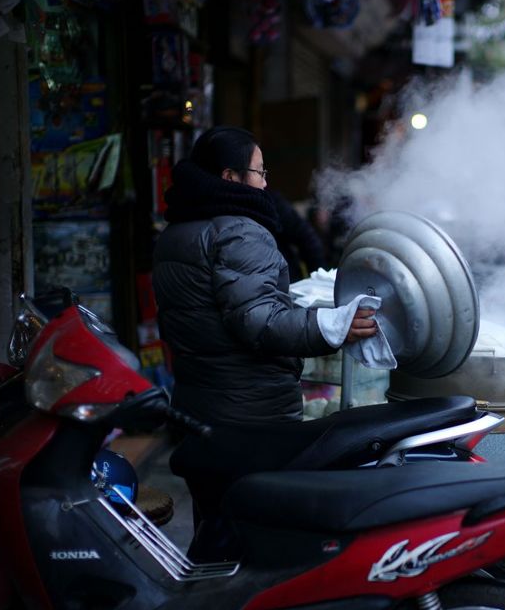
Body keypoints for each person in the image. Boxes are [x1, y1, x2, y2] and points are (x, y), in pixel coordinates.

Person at [153, 126, 377, 429]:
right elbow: (260, 321)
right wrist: (332, 326)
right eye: (259, 172)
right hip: (250, 413)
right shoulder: (239, 232)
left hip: (197, 402)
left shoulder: (175, 233)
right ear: (230, 177)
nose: (265, 182)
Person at [271, 190, 327, 281]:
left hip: (289, 281)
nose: (264, 182)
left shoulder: (272, 202)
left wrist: (319, 279)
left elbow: (306, 238)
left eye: (263, 175)